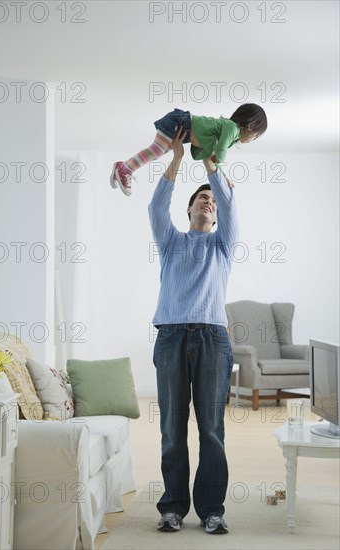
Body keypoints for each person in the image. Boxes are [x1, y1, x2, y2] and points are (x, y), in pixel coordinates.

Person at [148, 127, 238, 534]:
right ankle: (172, 508)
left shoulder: (222, 245)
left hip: (212, 340)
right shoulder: (171, 243)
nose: (209, 203)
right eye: (203, 198)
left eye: (214, 202)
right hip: (170, 337)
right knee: (172, 427)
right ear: (189, 210)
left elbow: (232, 208)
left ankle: (212, 510)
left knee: (211, 430)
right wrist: (177, 158)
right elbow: (155, 208)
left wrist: (209, 162)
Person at [111, 103, 267, 196]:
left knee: (157, 152)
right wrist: (219, 158)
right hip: (181, 122)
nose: (251, 141)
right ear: (251, 126)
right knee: (156, 151)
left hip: (183, 132)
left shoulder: (227, 137)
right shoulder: (231, 128)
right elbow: (220, 152)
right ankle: (125, 169)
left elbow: (213, 158)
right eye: (255, 137)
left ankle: (124, 167)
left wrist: (224, 177)